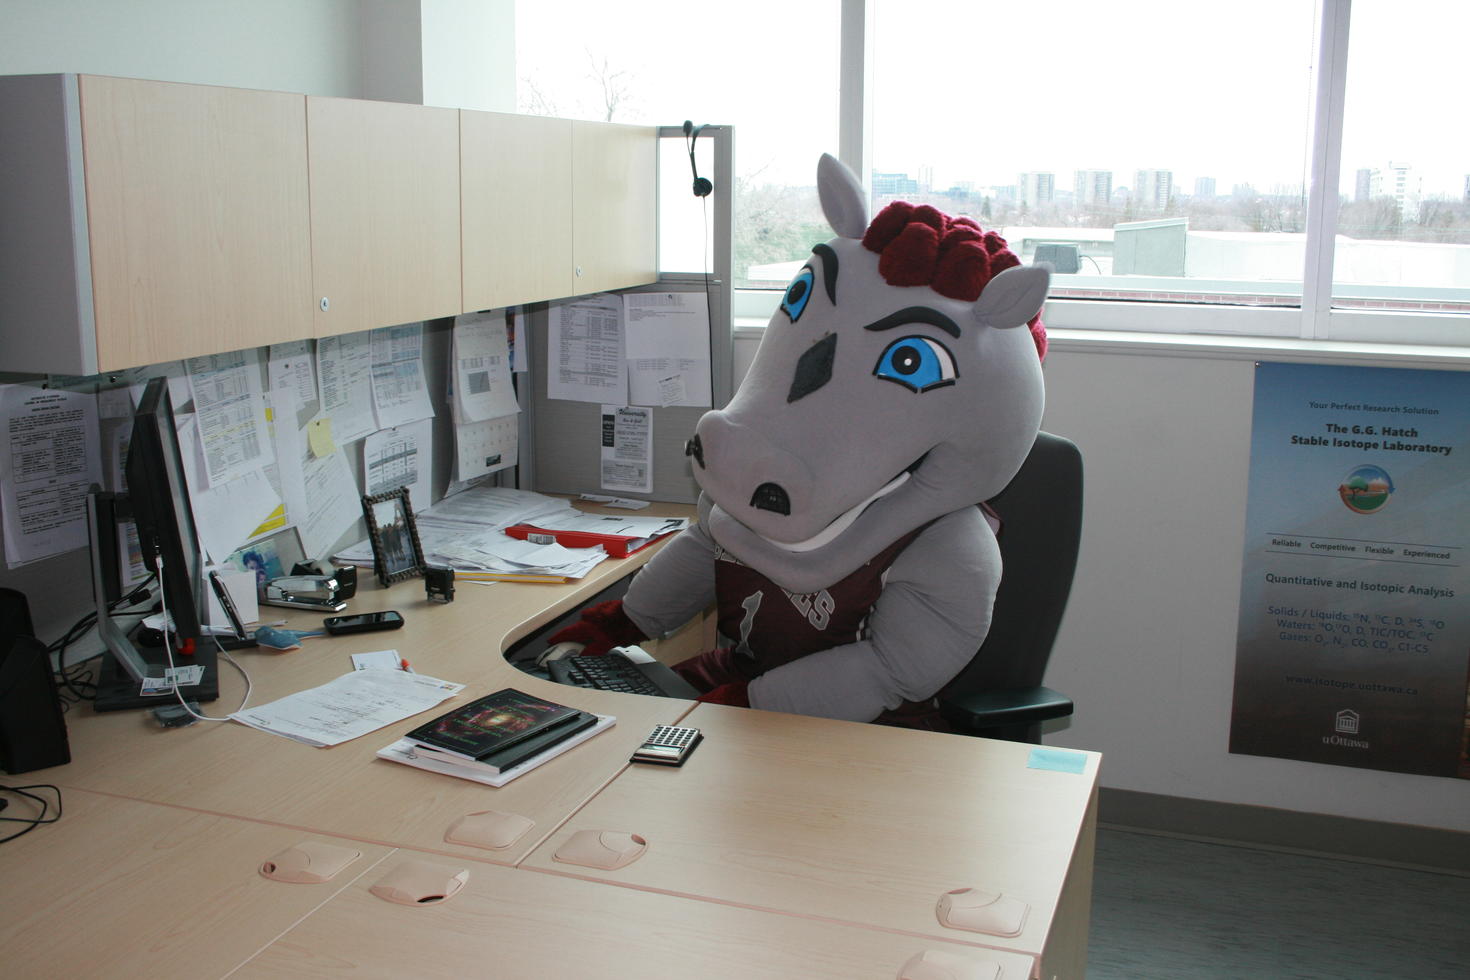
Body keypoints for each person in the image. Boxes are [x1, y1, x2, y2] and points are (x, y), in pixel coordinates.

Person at [551, 154, 1049, 728]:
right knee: (605, 738)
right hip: (742, 677)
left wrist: (738, 711)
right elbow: (705, 547)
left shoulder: (945, 546)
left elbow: (891, 670)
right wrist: (619, 625)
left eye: (910, 361)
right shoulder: (752, 473)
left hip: (865, 728)